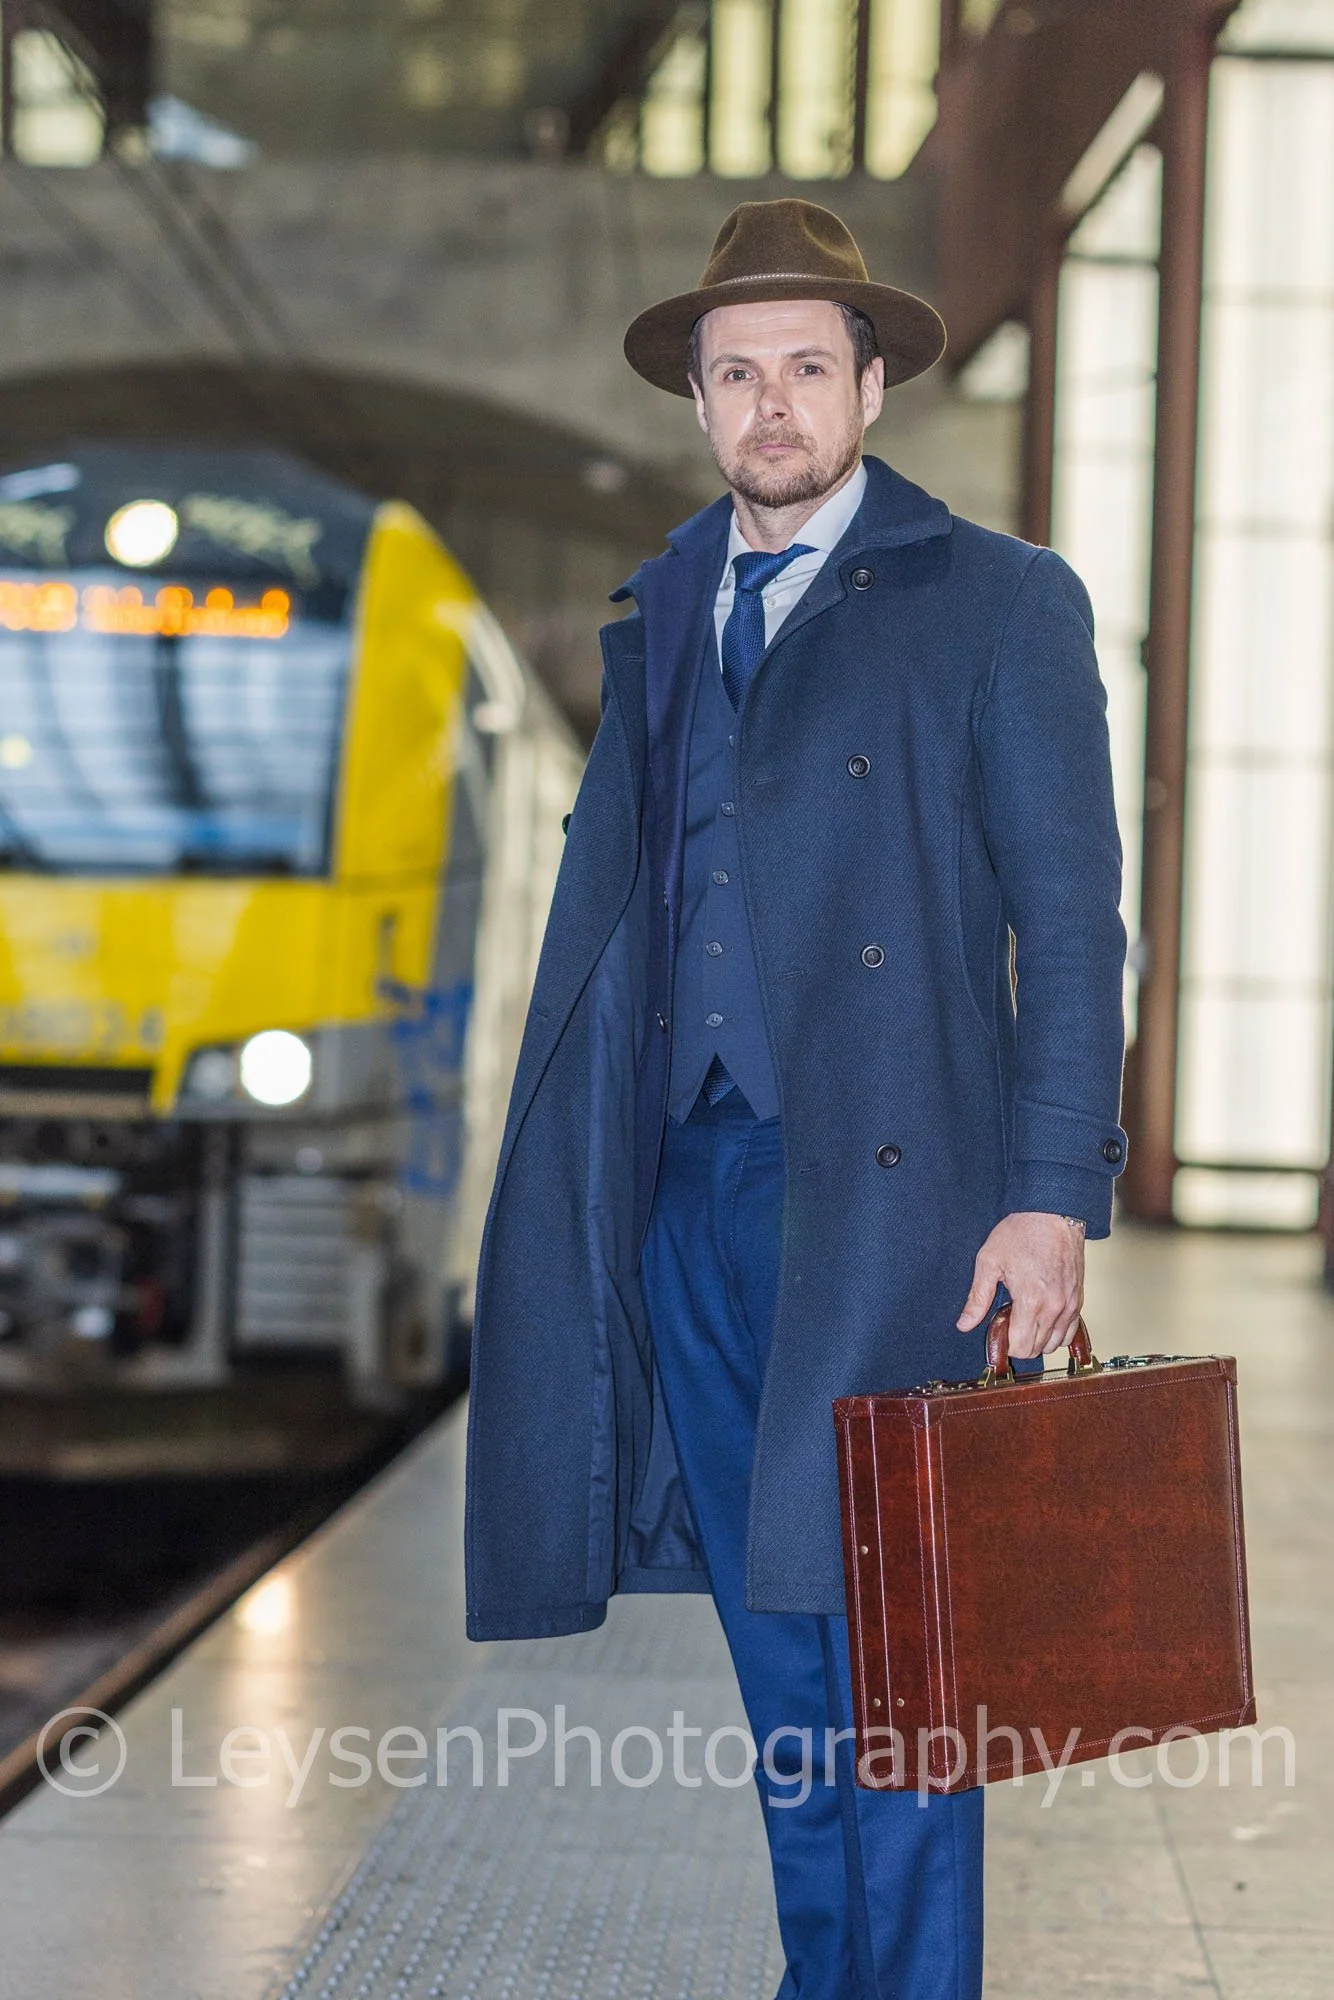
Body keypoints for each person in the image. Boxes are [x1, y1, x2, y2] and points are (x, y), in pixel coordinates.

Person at [464, 198, 1127, 1999]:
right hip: (688, 1185)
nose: (773, 404)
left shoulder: (996, 601)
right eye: (737, 371)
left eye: (806, 370)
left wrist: (1053, 1192)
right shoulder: (667, 610)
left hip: (899, 1206)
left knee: (904, 1647)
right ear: (697, 400)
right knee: (777, 1645)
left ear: (869, 389)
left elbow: (1071, 924)